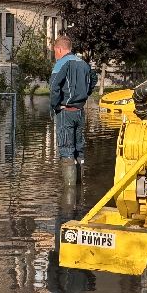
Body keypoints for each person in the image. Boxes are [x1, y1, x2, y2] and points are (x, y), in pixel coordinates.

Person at [49, 33, 96, 185]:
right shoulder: (84, 64)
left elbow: (54, 86)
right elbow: (93, 79)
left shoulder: (61, 63)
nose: (55, 55)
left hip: (66, 112)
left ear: (59, 49)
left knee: (66, 150)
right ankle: (79, 189)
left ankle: (69, 192)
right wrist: (86, 94)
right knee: (79, 149)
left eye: (55, 52)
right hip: (80, 112)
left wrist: (55, 105)